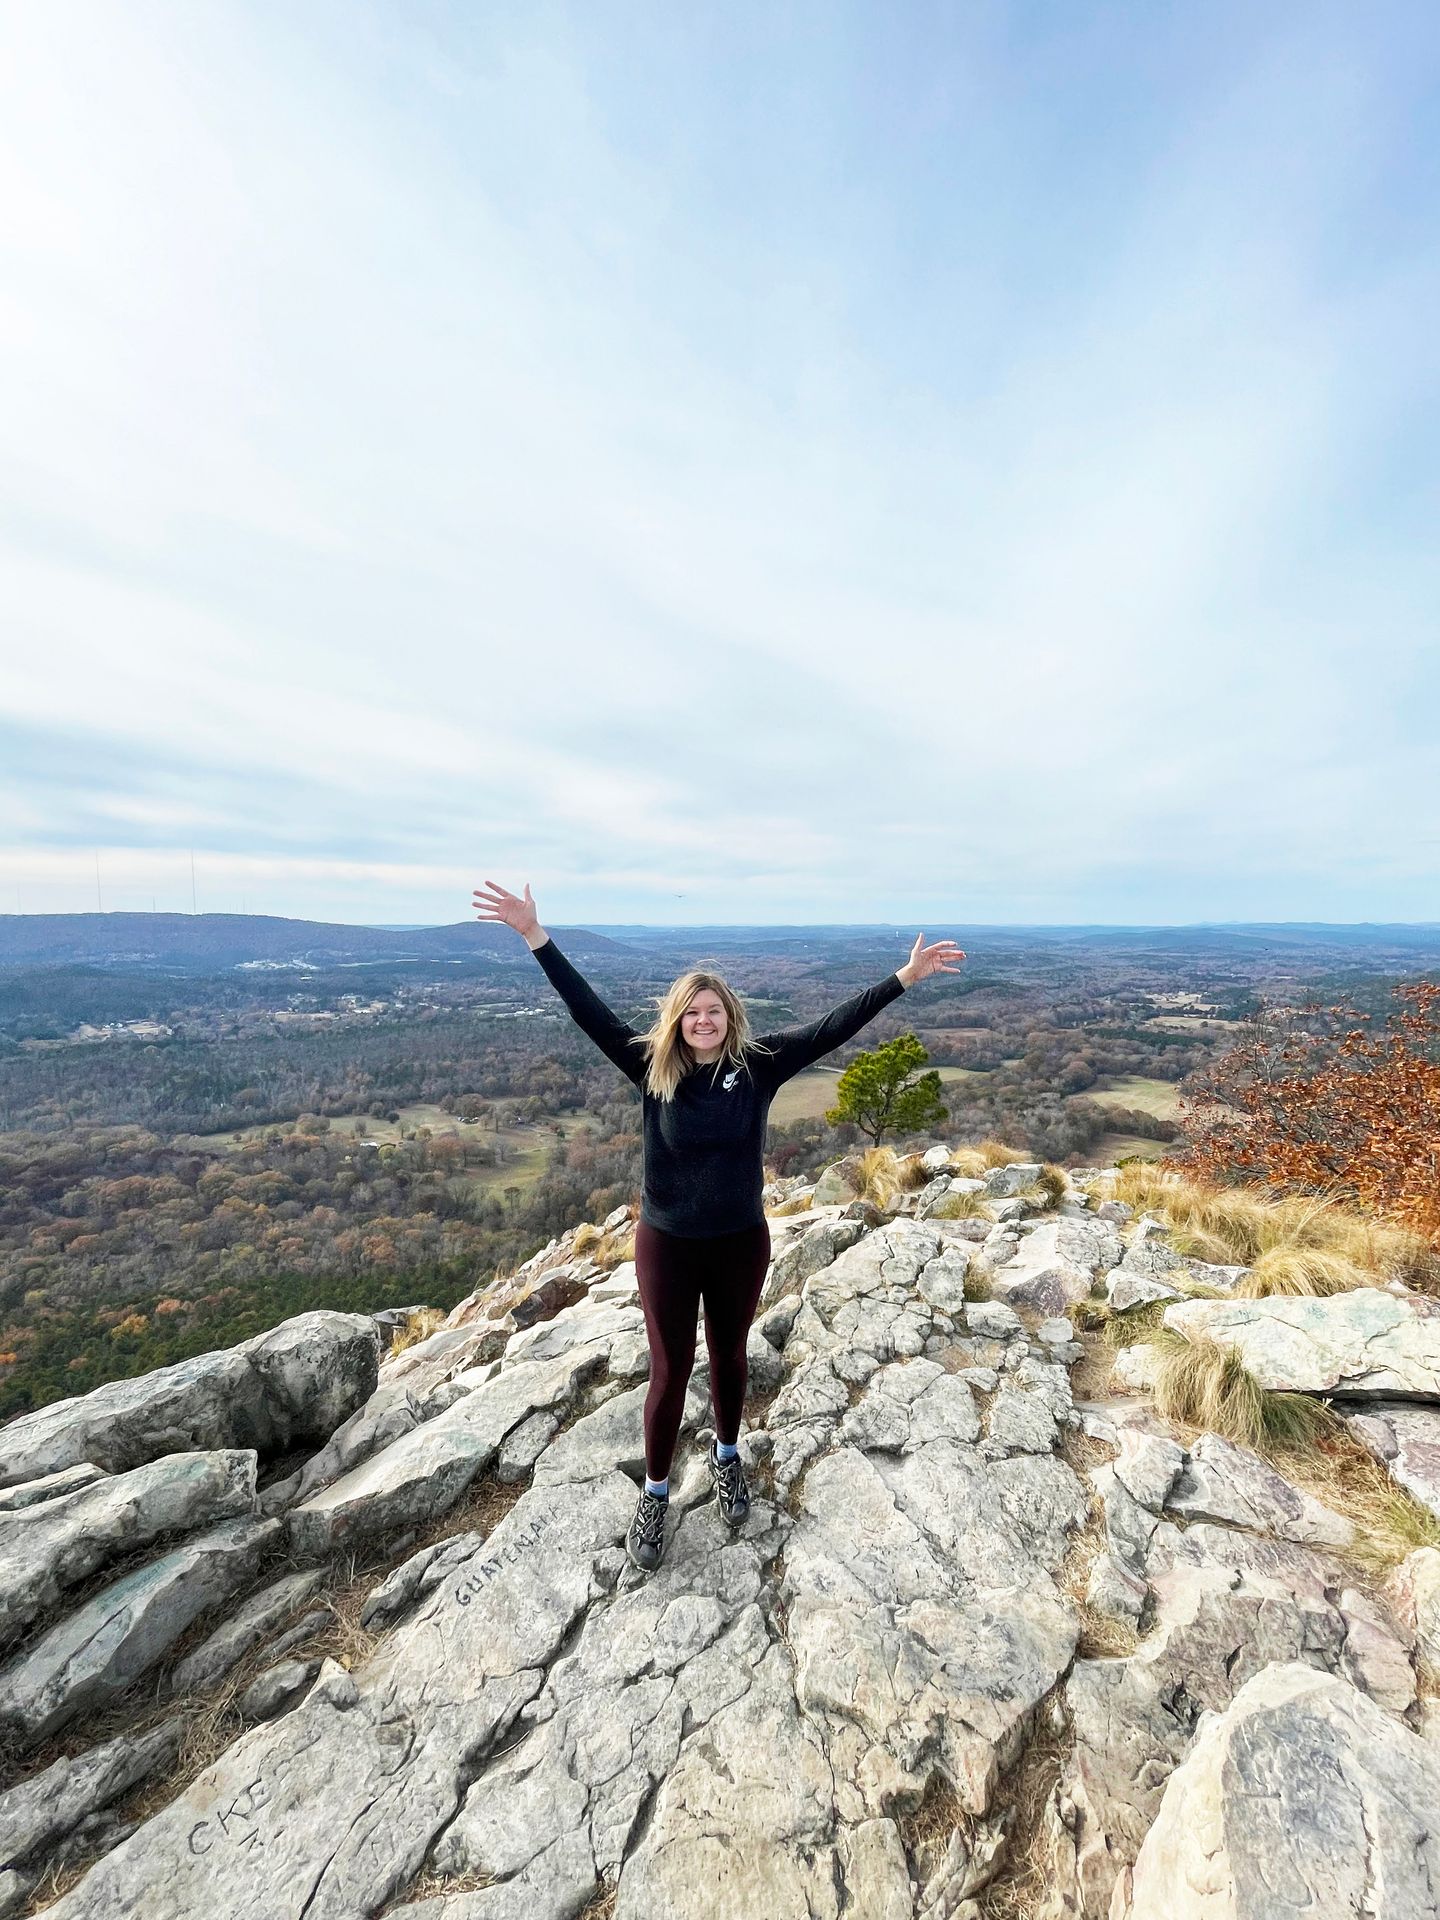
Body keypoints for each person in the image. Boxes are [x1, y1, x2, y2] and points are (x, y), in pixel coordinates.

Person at [472, 879, 965, 1574]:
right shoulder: (650, 1068)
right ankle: (656, 1491)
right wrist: (534, 937)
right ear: (676, 1020)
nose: (703, 1021)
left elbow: (834, 1026)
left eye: (714, 1011)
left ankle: (728, 1455)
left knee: (730, 1355)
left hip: (739, 1241)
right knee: (671, 1370)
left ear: (730, 1018)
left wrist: (905, 978)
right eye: (692, 1013)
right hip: (667, 1245)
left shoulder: (758, 1068)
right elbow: (588, 1011)